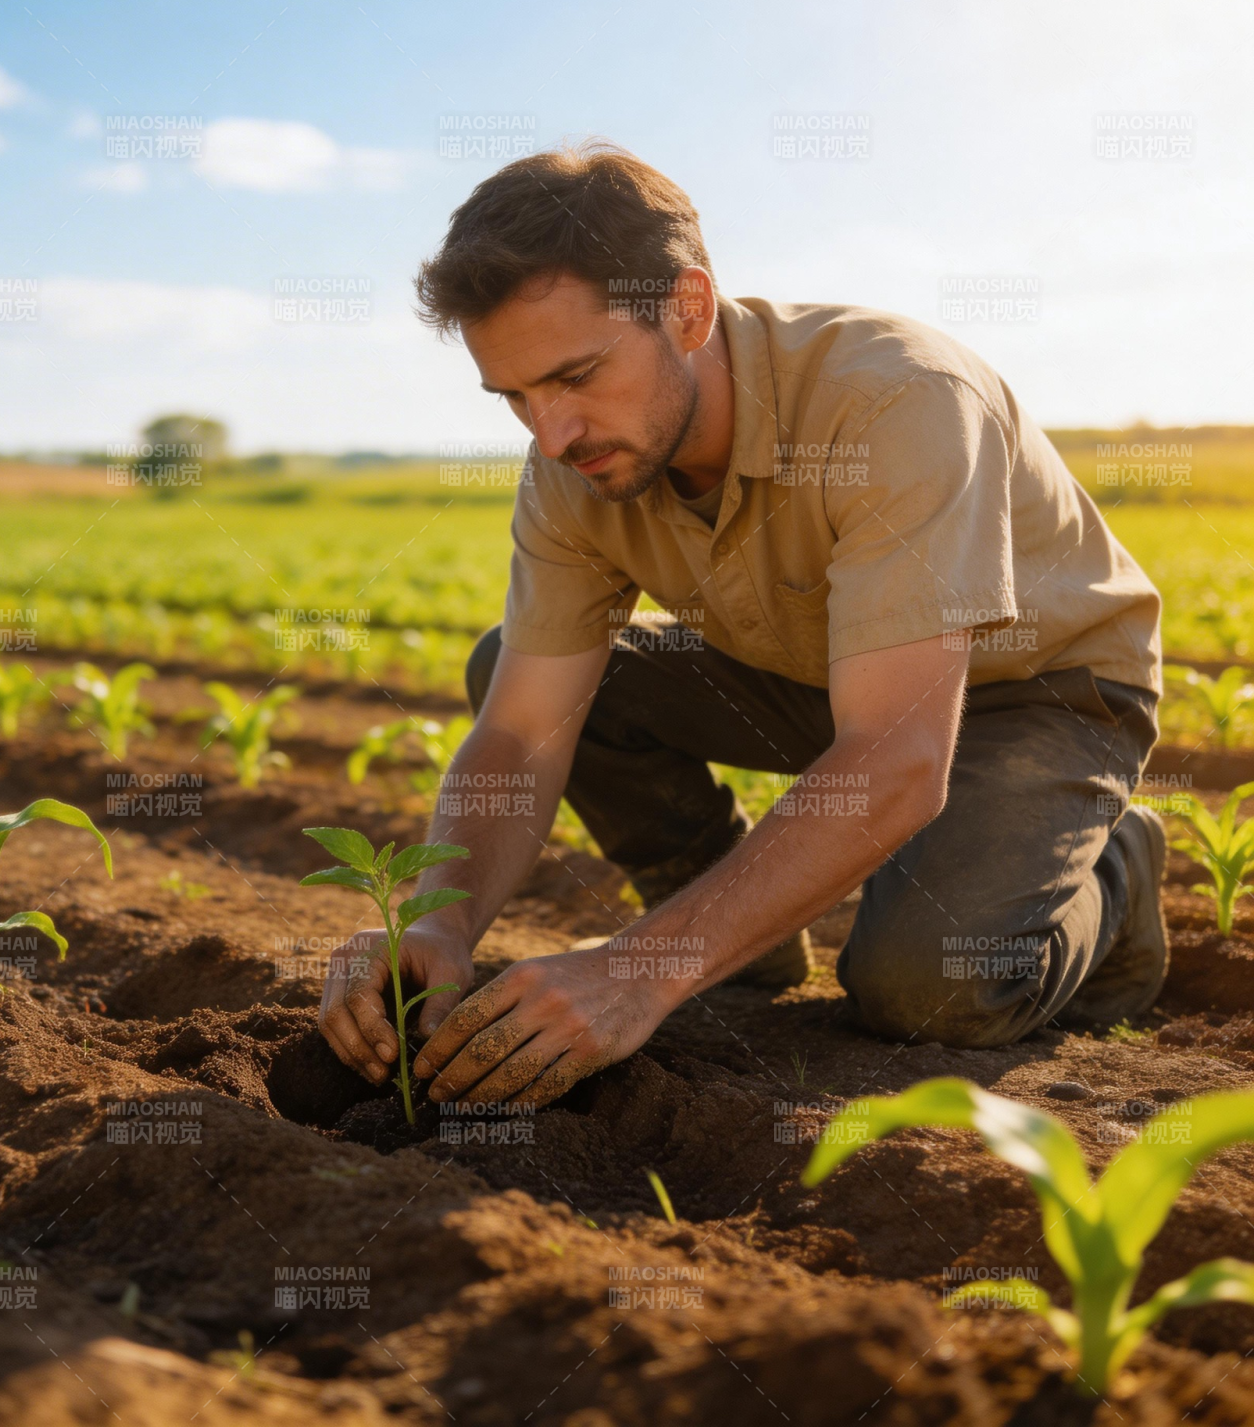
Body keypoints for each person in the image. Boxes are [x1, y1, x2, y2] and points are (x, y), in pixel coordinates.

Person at [317, 141, 1164, 1112]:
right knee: (515, 672)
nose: (552, 435)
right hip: (817, 675)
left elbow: (894, 755)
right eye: (514, 397)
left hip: (1038, 692)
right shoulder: (575, 465)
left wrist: (638, 969)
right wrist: (438, 922)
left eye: (577, 375)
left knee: (925, 987)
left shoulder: (896, 400)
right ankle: (734, 941)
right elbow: (518, 730)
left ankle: (1117, 868)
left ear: (686, 308)